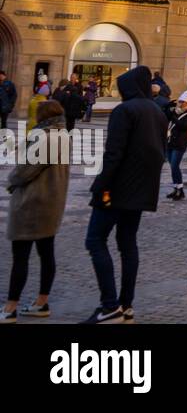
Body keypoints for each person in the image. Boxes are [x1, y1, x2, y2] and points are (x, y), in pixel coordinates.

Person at [83, 65, 166, 324]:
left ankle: (109, 306)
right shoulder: (157, 112)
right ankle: (126, 306)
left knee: (95, 240)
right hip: (142, 190)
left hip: (116, 189)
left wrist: (101, 186)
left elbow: (114, 153)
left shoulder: (125, 110)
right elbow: (159, 153)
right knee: (128, 244)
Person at [3, 101, 70, 323]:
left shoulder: (46, 137)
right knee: (46, 254)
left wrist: (11, 180)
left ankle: (10, 307)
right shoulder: (62, 135)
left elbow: (25, 170)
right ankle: (41, 302)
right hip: (51, 203)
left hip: (33, 203)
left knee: (20, 257)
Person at [165, 92, 187, 200]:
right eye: (179, 101)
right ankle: (176, 188)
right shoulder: (177, 111)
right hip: (170, 141)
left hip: (180, 142)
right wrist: (168, 108)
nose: (179, 103)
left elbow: (183, 126)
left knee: (175, 166)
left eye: (181, 101)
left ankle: (180, 190)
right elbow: (168, 118)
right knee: (172, 166)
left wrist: (173, 116)